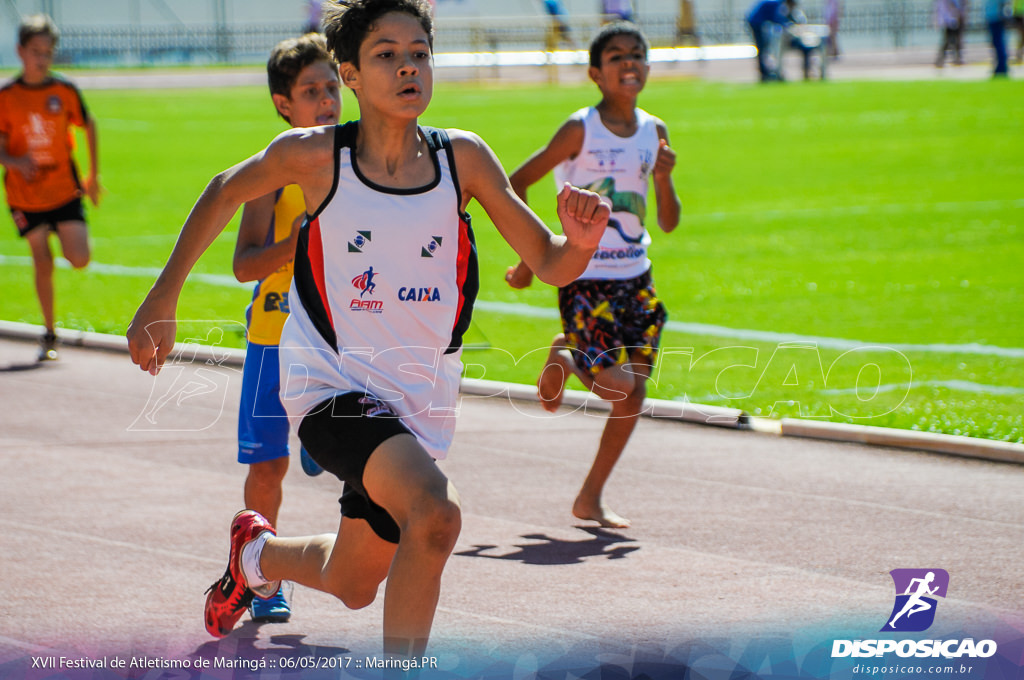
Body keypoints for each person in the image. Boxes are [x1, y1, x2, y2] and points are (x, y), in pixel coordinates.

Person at [126, 0, 608, 658]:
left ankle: (256, 556)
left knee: (352, 582)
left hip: (419, 394)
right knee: (435, 516)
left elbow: (550, 260)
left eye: (419, 53)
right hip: (328, 380)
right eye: (387, 55)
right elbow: (224, 188)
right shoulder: (317, 157)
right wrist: (164, 293)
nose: (408, 67)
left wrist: (580, 242)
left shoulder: (461, 158)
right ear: (349, 74)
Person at [504, 22, 680, 529]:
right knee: (615, 389)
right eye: (617, 57)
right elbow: (517, 181)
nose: (629, 64)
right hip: (584, 278)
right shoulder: (580, 129)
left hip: (636, 279)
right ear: (595, 74)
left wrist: (664, 177)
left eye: (637, 55)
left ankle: (590, 498)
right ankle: (566, 351)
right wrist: (532, 259)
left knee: (635, 393)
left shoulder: (656, 132)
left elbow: (666, 222)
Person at [231, 31, 341, 626]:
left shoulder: (361, 165)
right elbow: (243, 262)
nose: (327, 100)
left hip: (341, 340)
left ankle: (319, 444)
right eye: (311, 91)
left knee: (369, 452)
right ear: (284, 105)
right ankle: (262, 574)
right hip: (273, 335)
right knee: (267, 466)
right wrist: (289, 245)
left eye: (332, 87)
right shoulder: (272, 174)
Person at [0, 14, 100, 361]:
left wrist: (93, 176)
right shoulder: (7, 96)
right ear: (20, 51)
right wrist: (14, 162)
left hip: (63, 189)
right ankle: (49, 333)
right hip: (24, 195)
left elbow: (88, 125)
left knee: (79, 257)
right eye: (35, 50)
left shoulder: (64, 90)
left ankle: (60, 230)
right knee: (41, 262)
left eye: (47, 51)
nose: (41, 58)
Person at [745, 0, 797, 81]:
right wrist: (787, 23)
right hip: (757, 24)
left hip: (759, 23)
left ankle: (766, 71)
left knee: (764, 48)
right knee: (762, 48)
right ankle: (764, 73)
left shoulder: (775, 3)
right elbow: (775, 18)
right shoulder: (776, 3)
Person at [934, 0, 967, 67]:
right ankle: (941, 59)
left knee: (956, 39)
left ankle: (956, 58)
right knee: (948, 40)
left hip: (956, 18)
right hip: (950, 19)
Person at [986, 0, 1010, 76]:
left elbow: (1004, 4)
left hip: (996, 17)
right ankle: (999, 65)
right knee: (996, 43)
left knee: (999, 43)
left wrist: (1003, 16)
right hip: (992, 17)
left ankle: (1002, 66)